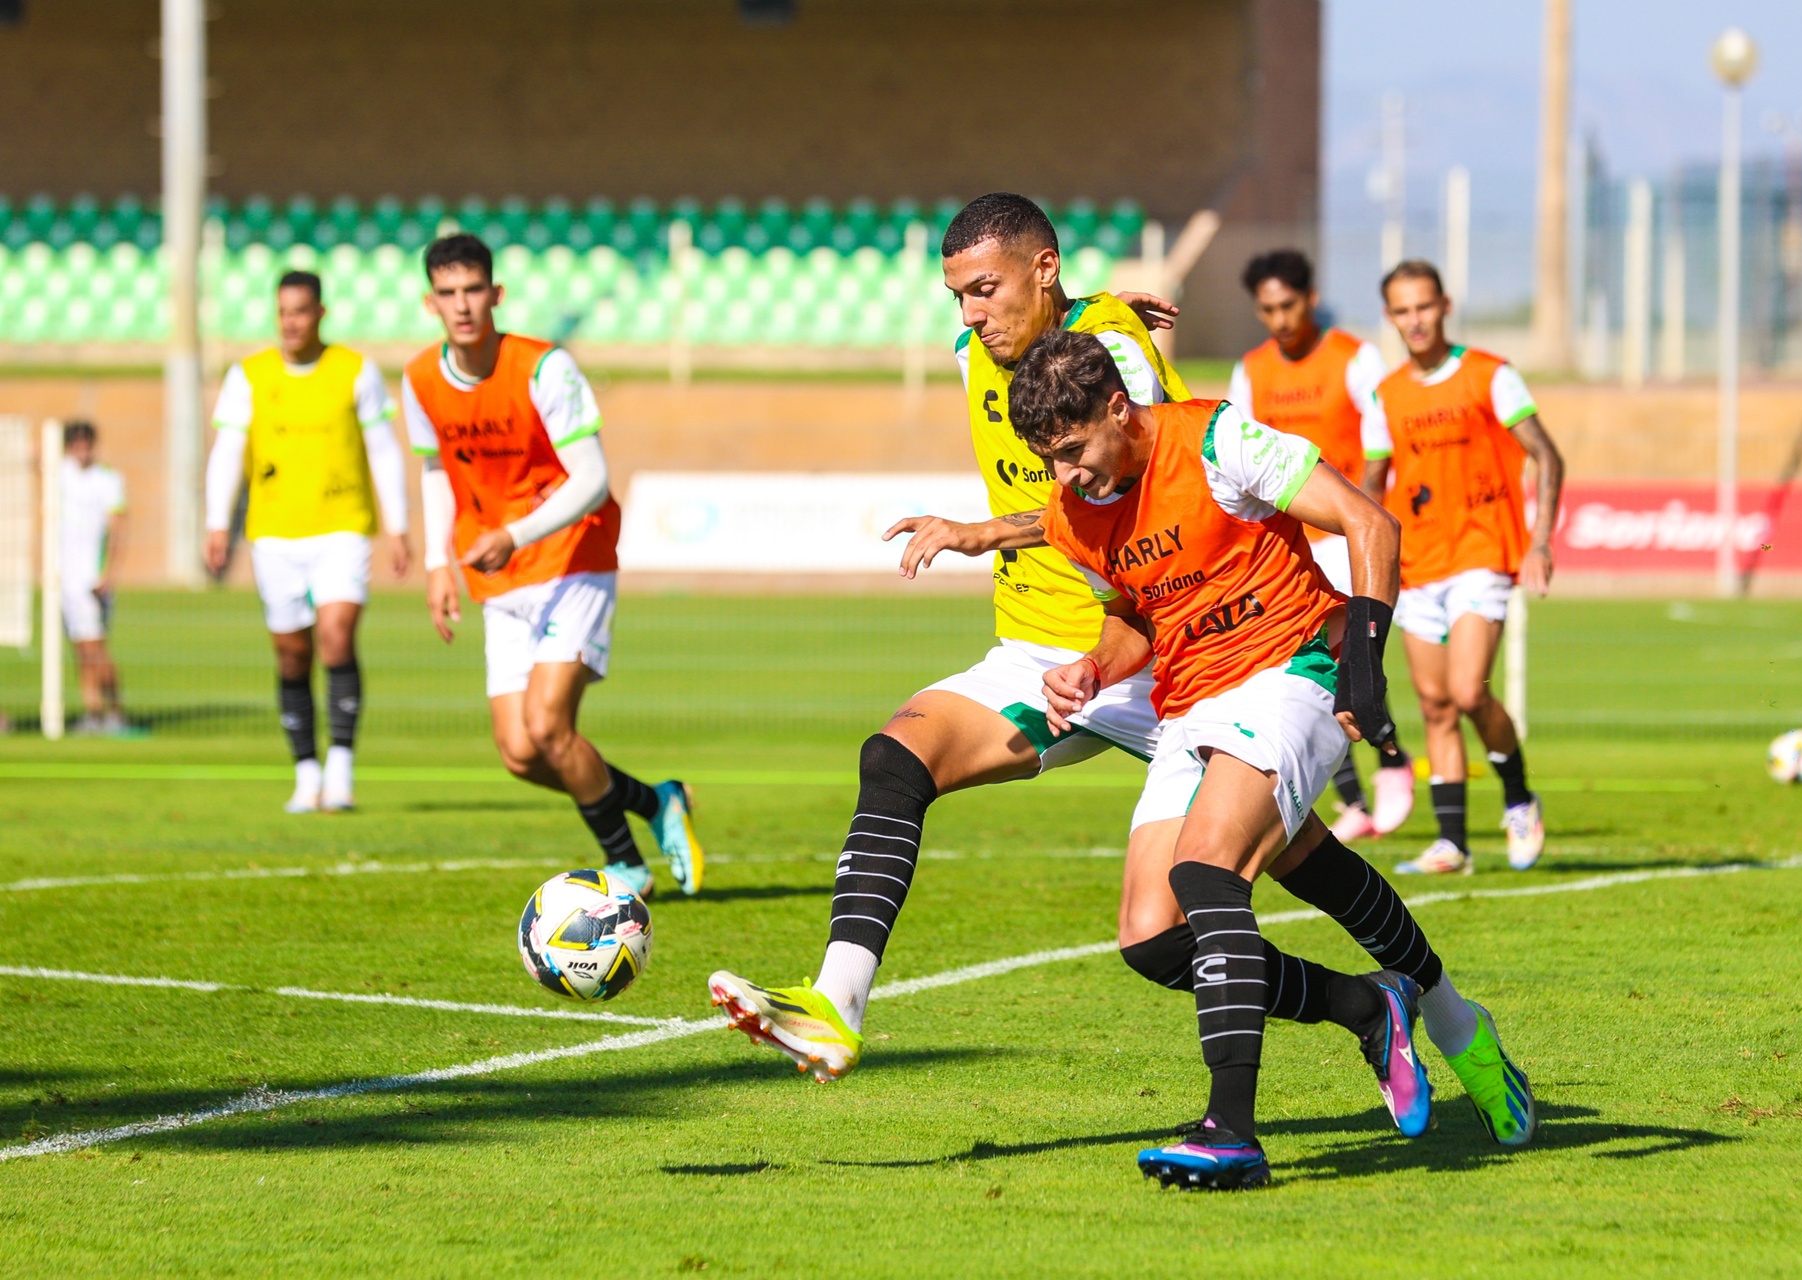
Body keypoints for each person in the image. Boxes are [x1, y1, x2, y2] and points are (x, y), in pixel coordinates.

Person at [1015, 329, 1534, 1189]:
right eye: (1051, 461)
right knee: (1154, 938)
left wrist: (1365, 669)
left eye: (1074, 452)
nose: (1067, 476)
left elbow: (1369, 521)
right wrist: (1093, 665)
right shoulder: (1075, 512)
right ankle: (1378, 1006)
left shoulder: (1218, 438)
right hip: (1190, 701)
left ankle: (1232, 1129)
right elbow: (1136, 616)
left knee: (1209, 871)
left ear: (1118, 408)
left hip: (1294, 667)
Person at [707, 192, 1195, 1079]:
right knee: (896, 757)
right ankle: (834, 1007)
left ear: (1042, 270)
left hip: (1159, 649)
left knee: (1236, 899)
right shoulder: (984, 346)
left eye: (984, 290)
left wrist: (981, 531)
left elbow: (1138, 487)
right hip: (1045, 657)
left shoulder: (1114, 352)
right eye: (957, 297)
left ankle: (1407, 1002)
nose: (970, 316)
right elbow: (1052, 311)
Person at [404, 233, 700, 899]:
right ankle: (656, 801)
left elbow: (592, 477)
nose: (462, 306)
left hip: (573, 555)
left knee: (547, 725)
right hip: (498, 573)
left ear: (496, 294)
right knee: (520, 754)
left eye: (473, 290)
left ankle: (625, 867)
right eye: (447, 293)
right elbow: (433, 469)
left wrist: (516, 531)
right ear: (431, 301)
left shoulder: (543, 368)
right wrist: (434, 564)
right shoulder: (420, 377)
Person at [1365, 261, 1563, 875]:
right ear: (1391, 317)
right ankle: (1453, 843)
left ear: (1445, 306)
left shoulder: (1490, 375)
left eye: (1423, 306)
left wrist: (1540, 542)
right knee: (1434, 704)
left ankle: (1519, 799)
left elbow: (1547, 457)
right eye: (1401, 311)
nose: (1414, 320)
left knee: (1466, 687)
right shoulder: (1387, 395)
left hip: (1482, 554)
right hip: (1419, 564)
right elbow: (1371, 487)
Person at [204, 271, 410, 810]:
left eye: (300, 311)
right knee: (291, 654)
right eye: (283, 312)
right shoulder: (248, 375)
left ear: (320, 312)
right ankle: (305, 771)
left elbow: (384, 450)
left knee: (336, 637)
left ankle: (340, 770)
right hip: (274, 535)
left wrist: (398, 525)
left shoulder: (354, 371)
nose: (291, 322)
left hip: (343, 526)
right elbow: (227, 452)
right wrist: (216, 522)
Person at [1229, 248, 1414, 842]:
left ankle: (1389, 757)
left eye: (1288, 305)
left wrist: (1365, 514)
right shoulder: (1251, 370)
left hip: (1347, 535)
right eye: (1267, 310)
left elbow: (1385, 437)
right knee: (1304, 674)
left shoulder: (1354, 359)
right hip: (1289, 545)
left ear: (1310, 299)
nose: (1279, 319)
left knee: (1347, 665)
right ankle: (1357, 795)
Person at [59, 421, 130, 735]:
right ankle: (92, 711)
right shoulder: (60, 473)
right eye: (75, 443)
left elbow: (117, 529)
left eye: (86, 442)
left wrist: (107, 574)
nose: (81, 449)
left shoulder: (108, 480)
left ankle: (116, 712)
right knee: (80, 649)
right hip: (65, 578)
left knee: (96, 648)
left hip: (92, 577)